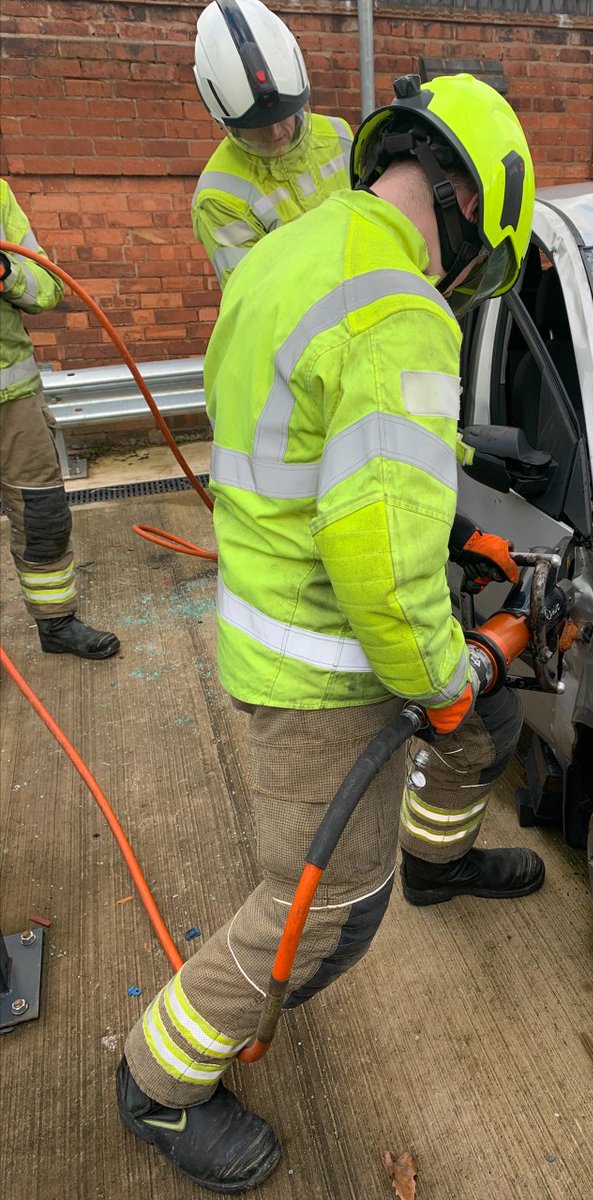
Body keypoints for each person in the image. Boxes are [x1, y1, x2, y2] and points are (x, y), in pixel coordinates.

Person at [115, 71, 538, 1192]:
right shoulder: (400, 311)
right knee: (327, 913)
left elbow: (310, 442)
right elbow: (382, 577)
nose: (463, 286)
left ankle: (439, 862)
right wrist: (447, 674)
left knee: (479, 736)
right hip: (323, 668)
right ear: (471, 201)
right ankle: (157, 1081)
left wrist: (452, 535)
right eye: (481, 264)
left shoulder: (287, 255)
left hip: (276, 608)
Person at [0, 180, 120, 660]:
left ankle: (56, 624)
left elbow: (48, 287)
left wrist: (6, 272)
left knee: (42, 514)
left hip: (13, 396)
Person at [191, 0, 353, 287]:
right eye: (257, 125)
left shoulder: (337, 135)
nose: (275, 131)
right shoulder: (219, 196)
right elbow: (256, 296)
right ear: (227, 124)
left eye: (284, 115)